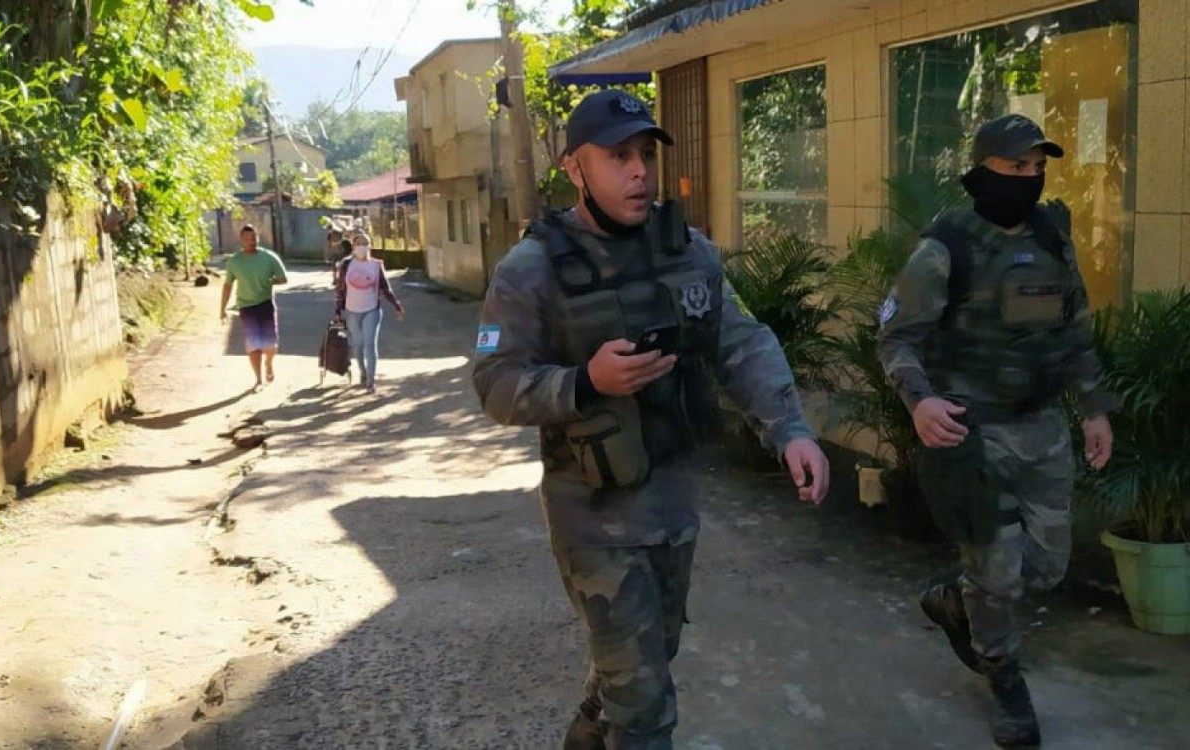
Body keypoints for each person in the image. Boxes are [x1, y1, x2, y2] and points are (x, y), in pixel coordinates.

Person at [471, 90, 830, 750]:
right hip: (591, 512)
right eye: (618, 156)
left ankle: (588, 729)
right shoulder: (531, 270)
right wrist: (585, 383)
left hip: (672, 499)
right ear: (575, 168)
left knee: (650, 656)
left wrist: (790, 428)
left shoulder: (688, 252)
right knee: (646, 710)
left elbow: (741, 340)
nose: (639, 171)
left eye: (644, 154)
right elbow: (495, 385)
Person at [876, 114, 1116, 747]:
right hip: (971, 432)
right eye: (1016, 167)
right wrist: (920, 403)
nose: (1030, 179)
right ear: (983, 172)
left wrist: (1093, 408)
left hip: (1042, 428)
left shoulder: (1051, 239)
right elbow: (898, 339)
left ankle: (959, 600)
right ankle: (1003, 673)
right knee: (999, 573)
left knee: (1047, 567)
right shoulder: (944, 248)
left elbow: (1074, 331)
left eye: (1038, 168)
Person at [333, 232, 405, 392]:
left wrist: (396, 305)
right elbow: (339, 290)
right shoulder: (346, 265)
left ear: (369, 246)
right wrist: (338, 312)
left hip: (372, 310)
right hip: (352, 311)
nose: (362, 247)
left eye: (365, 243)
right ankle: (363, 371)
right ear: (353, 247)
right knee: (358, 345)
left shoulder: (376, 265)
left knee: (370, 345)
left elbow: (386, 288)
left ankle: (371, 381)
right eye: (358, 243)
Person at [220, 224, 288, 390]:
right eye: (247, 239)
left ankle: (269, 364)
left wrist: (270, 281)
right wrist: (222, 308)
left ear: (258, 238)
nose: (250, 242)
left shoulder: (269, 257)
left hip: (265, 304)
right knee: (253, 344)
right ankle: (258, 379)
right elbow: (227, 285)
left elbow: (283, 278)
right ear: (241, 240)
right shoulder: (235, 261)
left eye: (253, 239)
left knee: (271, 344)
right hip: (246, 306)